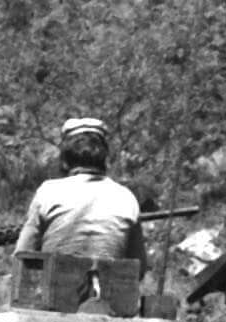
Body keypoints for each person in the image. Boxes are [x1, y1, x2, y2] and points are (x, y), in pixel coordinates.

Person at [13, 117, 145, 288]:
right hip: (109, 302)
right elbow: (138, 269)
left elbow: (23, 256)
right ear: (103, 156)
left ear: (65, 157)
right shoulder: (127, 198)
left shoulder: (48, 193)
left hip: (54, 298)